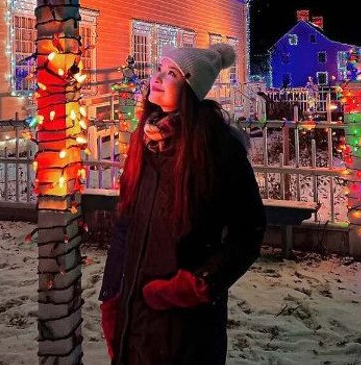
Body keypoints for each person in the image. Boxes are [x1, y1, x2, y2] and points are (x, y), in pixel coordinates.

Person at [99, 43, 266, 364]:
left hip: (187, 326)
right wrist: (111, 296)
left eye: (171, 73)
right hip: (135, 313)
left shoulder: (216, 149)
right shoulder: (144, 142)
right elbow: (125, 224)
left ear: (191, 87)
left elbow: (248, 233)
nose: (158, 77)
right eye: (159, 69)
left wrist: (197, 285)